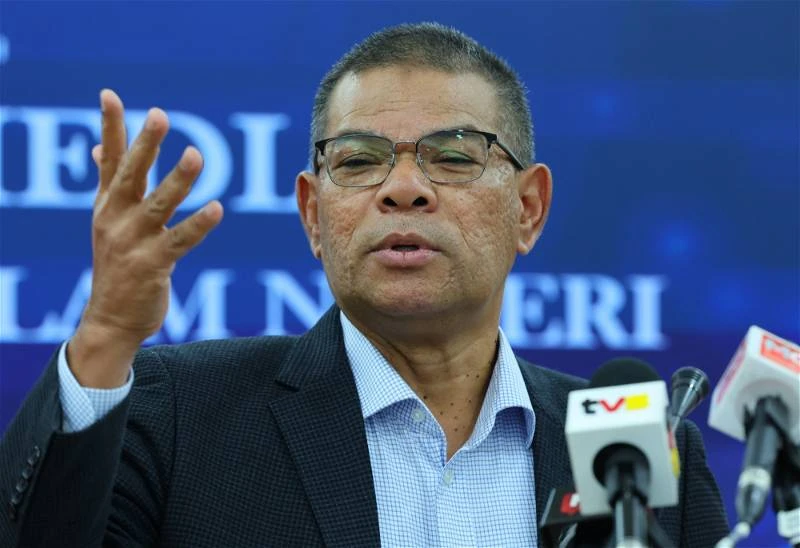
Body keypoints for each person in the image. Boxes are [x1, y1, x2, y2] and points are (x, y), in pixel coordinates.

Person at [0, 22, 727, 547]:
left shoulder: (633, 444)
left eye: (453, 156)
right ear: (313, 216)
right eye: (357, 161)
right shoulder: (181, 415)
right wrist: (104, 339)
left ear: (528, 209)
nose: (403, 188)